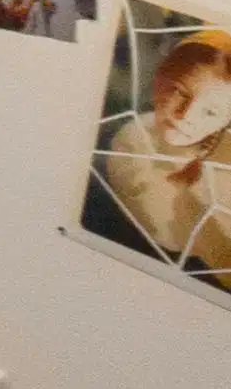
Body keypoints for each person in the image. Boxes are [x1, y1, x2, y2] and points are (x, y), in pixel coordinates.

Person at [96, 30, 231, 282]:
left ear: (225, 122)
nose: (186, 115)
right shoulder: (134, 139)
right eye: (181, 92)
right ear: (160, 79)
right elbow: (165, 234)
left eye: (211, 113)